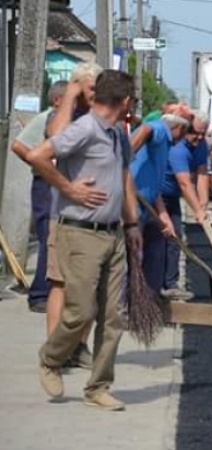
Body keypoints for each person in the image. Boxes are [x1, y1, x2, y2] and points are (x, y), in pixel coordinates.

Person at [29, 69, 141, 411]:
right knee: (80, 311)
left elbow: (122, 181)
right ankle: (51, 358)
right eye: (130, 101)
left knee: (113, 317)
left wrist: (132, 224)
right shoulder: (86, 129)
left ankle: (98, 387)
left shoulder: (115, 135)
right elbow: (38, 156)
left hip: (113, 234)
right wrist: (68, 188)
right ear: (123, 102)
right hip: (79, 233)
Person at [11, 81, 68, 314]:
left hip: (59, 184)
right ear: (57, 100)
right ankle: (39, 295)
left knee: (57, 239)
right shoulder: (45, 119)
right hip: (45, 184)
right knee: (47, 237)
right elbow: (19, 146)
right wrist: (42, 166)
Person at [130, 106, 191, 299]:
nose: (181, 141)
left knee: (156, 248)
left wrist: (165, 217)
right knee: (134, 256)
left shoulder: (166, 146)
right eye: (183, 135)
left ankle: (150, 297)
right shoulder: (161, 129)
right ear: (178, 129)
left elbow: (155, 187)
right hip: (133, 206)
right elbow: (146, 130)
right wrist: (126, 156)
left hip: (149, 205)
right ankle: (130, 302)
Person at [156, 111, 210, 297]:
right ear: (187, 128)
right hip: (157, 196)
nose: (200, 137)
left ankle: (170, 284)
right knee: (160, 238)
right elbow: (185, 183)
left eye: (204, 133)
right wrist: (196, 209)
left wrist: (203, 204)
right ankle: (154, 285)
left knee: (176, 237)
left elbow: (202, 174)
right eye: (196, 132)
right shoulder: (178, 149)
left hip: (172, 197)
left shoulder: (202, 145)